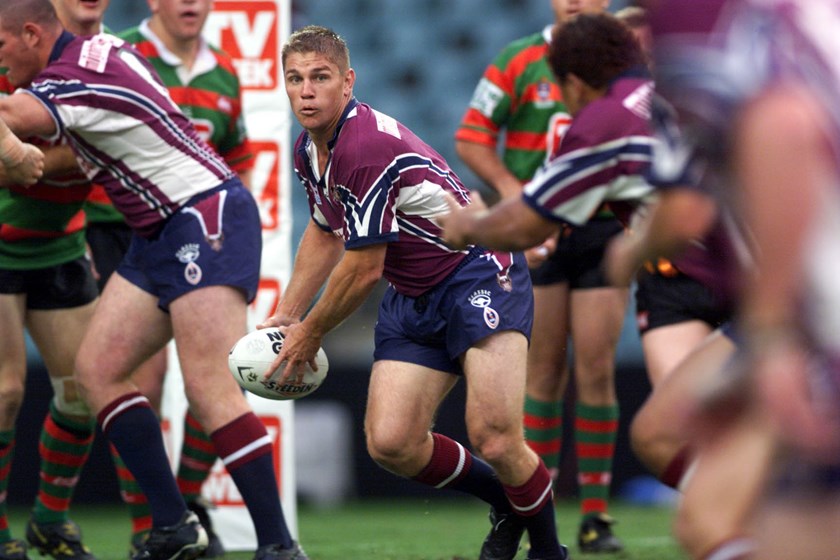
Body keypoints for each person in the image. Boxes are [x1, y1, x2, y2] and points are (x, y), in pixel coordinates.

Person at [0, 2, 304, 559]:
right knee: (98, 373)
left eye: (0, 44)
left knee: (210, 391)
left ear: (30, 33)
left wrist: (17, 156)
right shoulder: (100, 55)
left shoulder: (73, 73)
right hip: (156, 228)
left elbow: (13, 120)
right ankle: (171, 525)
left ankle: (279, 546)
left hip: (200, 217)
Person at [264, 24, 567, 560]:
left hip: (477, 273)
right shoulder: (310, 151)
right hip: (415, 292)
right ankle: (507, 502)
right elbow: (322, 229)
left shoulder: (363, 146)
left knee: (495, 436)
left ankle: (547, 549)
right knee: (392, 443)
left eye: (320, 77)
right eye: (294, 79)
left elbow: (362, 269)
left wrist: (309, 334)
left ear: (348, 82)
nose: (306, 90)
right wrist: (285, 315)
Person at [454, 1, 627, 552]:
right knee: (544, 372)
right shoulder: (520, 58)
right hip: (538, 229)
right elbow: (472, 134)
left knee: (597, 367)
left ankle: (596, 516)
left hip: (602, 229)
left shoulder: (624, 62)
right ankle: (532, 508)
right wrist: (512, 192)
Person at [106, 0, 257, 554]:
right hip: (131, 238)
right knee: (138, 385)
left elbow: (238, 154)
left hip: (200, 243)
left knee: (214, 382)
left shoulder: (223, 73)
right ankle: (151, 523)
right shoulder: (123, 54)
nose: (191, 3)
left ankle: (187, 507)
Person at [0, 2, 105, 558]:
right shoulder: (10, 51)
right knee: (6, 391)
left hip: (62, 244)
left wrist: (29, 156)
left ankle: (48, 520)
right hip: (2, 249)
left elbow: (105, 147)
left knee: (83, 390)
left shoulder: (99, 61)